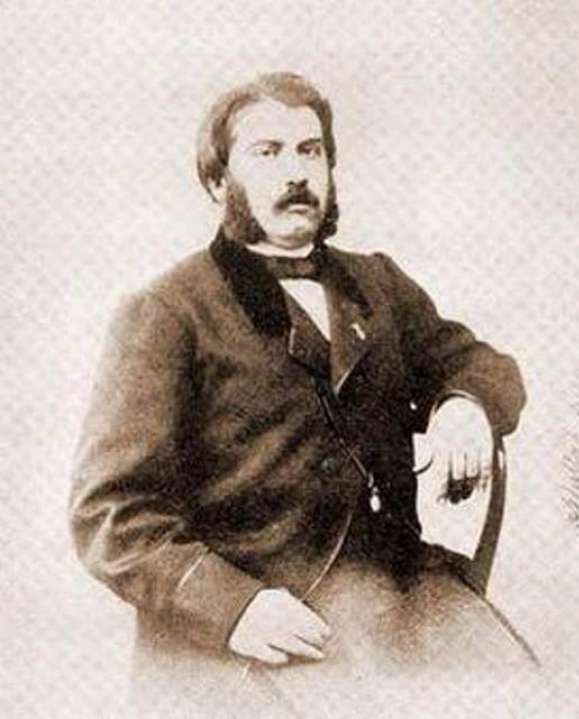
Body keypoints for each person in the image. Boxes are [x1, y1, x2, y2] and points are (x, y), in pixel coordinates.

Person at [69, 72, 529, 716]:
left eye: (310, 151)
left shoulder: (377, 284)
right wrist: (233, 607)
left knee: (521, 692)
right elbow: (109, 515)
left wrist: (465, 407)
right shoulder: (167, 311)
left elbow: (482, 364)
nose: (295, 172)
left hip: (397, 592)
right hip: (257, 620)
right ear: (217, 181)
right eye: (268, 152)